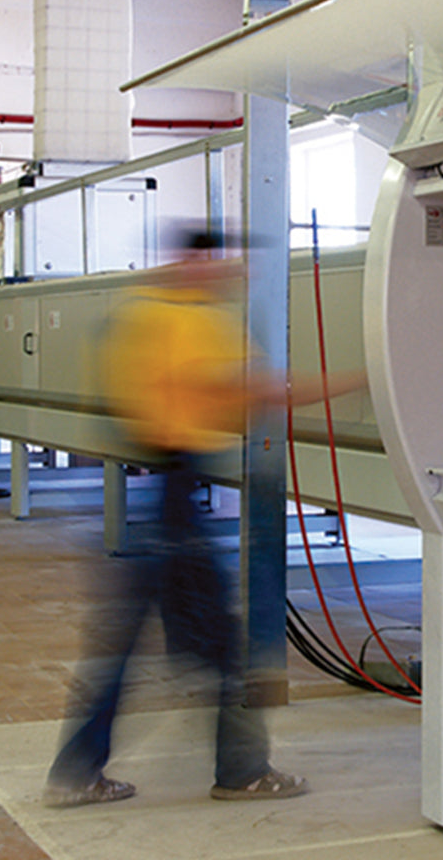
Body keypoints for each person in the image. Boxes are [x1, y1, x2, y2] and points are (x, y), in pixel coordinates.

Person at [43, 229, 366, 808]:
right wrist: (367, 378)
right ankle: (242, 770)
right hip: (175, 498)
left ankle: (76, 771)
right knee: (225, 647)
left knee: (125, 642)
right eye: (217, 259)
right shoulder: (188, 321)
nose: (229, 270)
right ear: (194, 260)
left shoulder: (137, 313)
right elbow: (263, 389)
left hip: (162, 492)